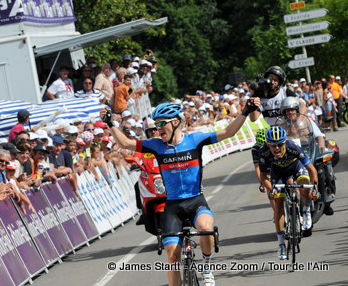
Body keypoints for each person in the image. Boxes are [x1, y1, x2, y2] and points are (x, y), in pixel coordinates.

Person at [100, 99, 260, 286]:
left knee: (206, 228)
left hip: (195, 201)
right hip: (173, 206)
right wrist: (110, 123)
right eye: (155, 124)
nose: (157, 128)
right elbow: (126, 143)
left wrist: (246, 111)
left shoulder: (194, 140)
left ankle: (206, 267)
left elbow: (228, 132)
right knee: (173, 258)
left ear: (175, 122)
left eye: (161, 123)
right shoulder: (155, 145)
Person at [258, 126, 319, 260]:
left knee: (305, 187)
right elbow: (263, 176)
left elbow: (312, 170)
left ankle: (306, 211)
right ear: (268, 144)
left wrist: (315, 190)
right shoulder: (263, 153)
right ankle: (281, 245)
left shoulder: (293, 147)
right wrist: (271, 190)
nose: (277, 148)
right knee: (278, 204)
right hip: (278, 173)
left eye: (280, 144)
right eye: (273, 145)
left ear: (285, 142)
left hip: (295, 168)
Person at [251, 128, 275, 218]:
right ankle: (275, 209)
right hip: (265, 163)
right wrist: (261, 183)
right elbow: (257, 167)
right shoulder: (255, 149)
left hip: (275, 161)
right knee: (268, 186)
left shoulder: (274, 144)